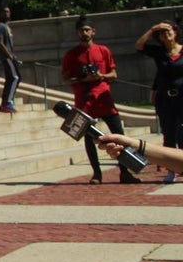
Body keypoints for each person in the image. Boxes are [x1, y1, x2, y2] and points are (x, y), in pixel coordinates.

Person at [61, 16, 139, 185]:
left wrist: (100, 76)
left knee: (118, 134)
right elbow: (66, 79)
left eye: (87, 29)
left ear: (93, 31)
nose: (84, 32)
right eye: (81, 30)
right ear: (77, 33)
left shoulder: (103, 50)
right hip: (83, 100)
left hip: (103, 99)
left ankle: (125, 172)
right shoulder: (71, 55)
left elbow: (114, 74)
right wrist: (81, 79)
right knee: (88, 138)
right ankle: (96, 174)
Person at [136, 20, 183, 183]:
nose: (166, 34)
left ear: (176, 32)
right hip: (165, 99)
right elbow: (140, 46)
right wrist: (152, 29)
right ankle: (171, 170)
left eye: (169, 30)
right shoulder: (159, 53)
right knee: (168, 134)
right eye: (162, 33)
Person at [0, 6, 21, 113]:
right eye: (4, 12)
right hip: (6, 56)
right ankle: (7, 102)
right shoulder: (0, 26)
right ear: (0, 13)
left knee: (17, 78)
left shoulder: (7, 26)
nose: (7, 14)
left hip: (11, 56)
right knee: (14, 77)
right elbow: (0, 42)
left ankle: (8, 100)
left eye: (8, 12)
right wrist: (9, 55)